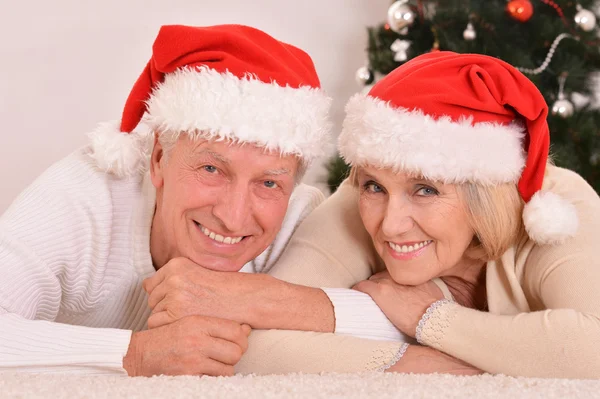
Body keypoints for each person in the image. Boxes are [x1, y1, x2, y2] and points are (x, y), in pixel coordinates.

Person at [0, 24, 409, 376]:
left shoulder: (300, 215)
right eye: (212, 170)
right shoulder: (84, 194)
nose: (233, 218)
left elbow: (405, 321)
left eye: (268, 183)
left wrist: (255, 298)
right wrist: (136, 354)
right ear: (159, 158)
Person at [240, 51, 600, 378]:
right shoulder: (357, 198)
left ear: (485, 197)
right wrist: (422, 364)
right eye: (374, 187)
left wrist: (429, 319)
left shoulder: (559, 208)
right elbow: (248, 342)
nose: (391, 225)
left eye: (426, 190)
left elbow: (592, 349)